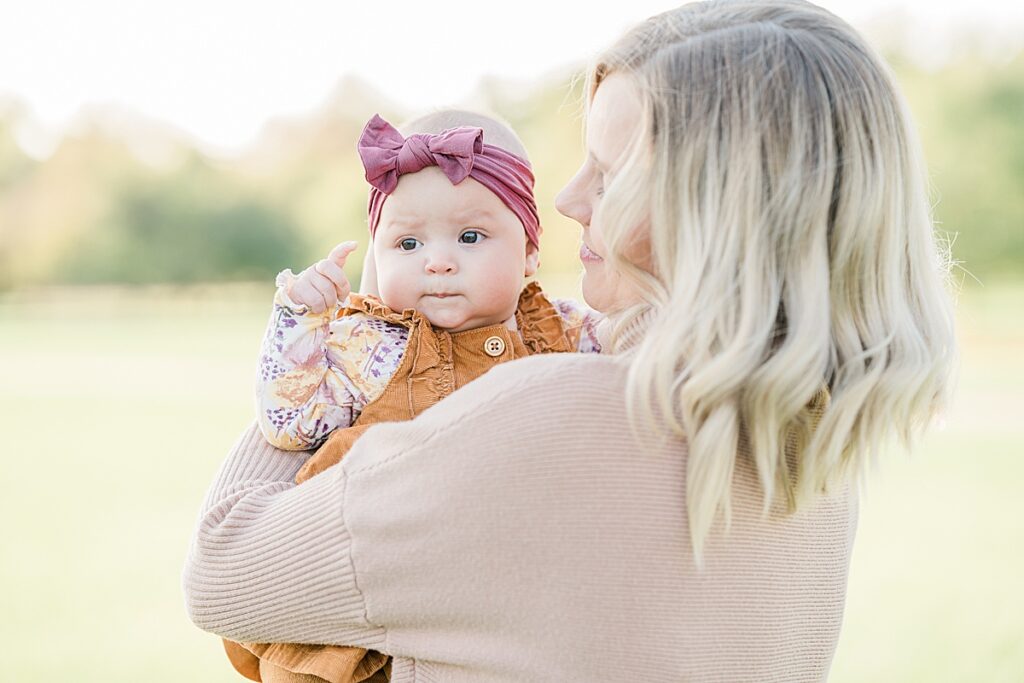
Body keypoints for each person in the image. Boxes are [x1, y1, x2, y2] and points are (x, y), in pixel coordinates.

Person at [183, 1, 957, 680]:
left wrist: (337, 347)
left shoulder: (547, 419)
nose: (564, 198)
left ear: (712, 213)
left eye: (608, 174)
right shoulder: (816, 424)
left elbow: (223, 569)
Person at [221, 110, 601, 683]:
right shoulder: (367, 344)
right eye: (407, 242)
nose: (438, 260)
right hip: (358, 609)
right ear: (378, 256)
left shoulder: (568, 333)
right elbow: (288, 420)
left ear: (529, 250)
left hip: (501, 616)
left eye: (470, 237)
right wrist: (302, 322)